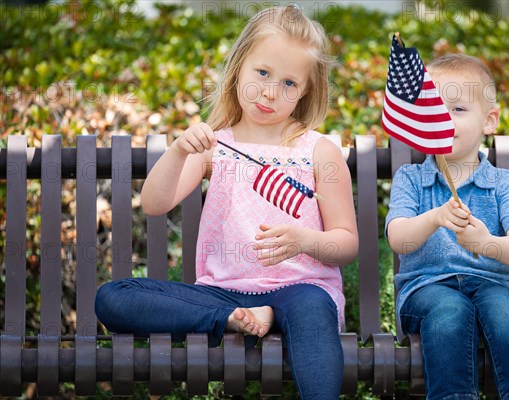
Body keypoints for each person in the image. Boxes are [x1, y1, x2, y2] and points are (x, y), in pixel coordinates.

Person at [95, 5, 358, 399]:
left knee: (313, 312)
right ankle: (232, 320)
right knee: (112, 297)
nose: (271, 92)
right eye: (263, 73)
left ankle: (268, 318)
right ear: (239, 68)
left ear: (306, 90)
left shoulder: (318, 150)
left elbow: (346, 243)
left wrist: (306, 241)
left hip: (299, 287)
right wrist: (180, 151)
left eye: (289, 83)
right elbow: (154, 203)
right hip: (222, 292)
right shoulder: (216, 145)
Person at [385, 53, 509, 400]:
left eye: (457, 110)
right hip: (426, 290)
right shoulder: (411, 179)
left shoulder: (501, 183)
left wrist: (486, 242)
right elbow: (398, 239)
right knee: (451, 310)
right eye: (435, 111)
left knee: (505, 315)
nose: (444, 119)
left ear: (489, 121)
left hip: (491, 286)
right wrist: (434, 218)